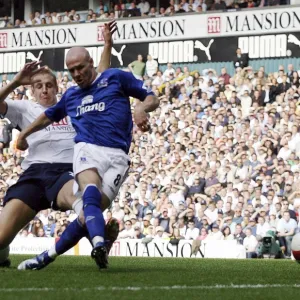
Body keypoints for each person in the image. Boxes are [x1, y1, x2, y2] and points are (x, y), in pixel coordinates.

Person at [17, 47, 159, 269]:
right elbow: (47, 117)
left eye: (80, 68)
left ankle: (46, 257)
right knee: (90, 191)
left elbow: (152, 97)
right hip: (87, 150)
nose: (76, 74)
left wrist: (141, 108)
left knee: (87, 216)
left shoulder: (115, 78)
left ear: (91, 63)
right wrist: (24, 134)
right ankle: (99, 243)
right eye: (71, 70)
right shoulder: (71, 95)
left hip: (118, 156)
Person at [0, 21, 117, 268]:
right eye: (38, 86)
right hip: (34, 174)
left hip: (66, 171)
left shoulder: (71, 102)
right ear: (31, 89)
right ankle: (2, 252)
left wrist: (107, 44)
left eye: (49, 85)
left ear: (57, 87)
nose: (44, 90)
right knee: (0, 238)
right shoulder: (24, 108)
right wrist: (15, 82)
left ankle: (100, 240)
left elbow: (102, 80)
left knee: (85, 203)